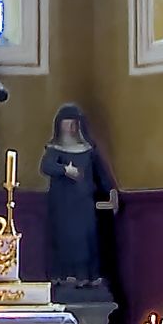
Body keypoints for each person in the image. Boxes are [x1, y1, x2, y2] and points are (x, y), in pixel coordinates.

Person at [39, 101, 116, 289]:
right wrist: (65, 170)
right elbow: (46, 166)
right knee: (66, 241)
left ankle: (88, 277)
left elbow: (102, 174)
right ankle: (67, 276)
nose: (71, 128)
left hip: (84, 205)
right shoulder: (54, 149)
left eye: (74, 123)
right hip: (63, 206)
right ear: (59, 126)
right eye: (67, 123)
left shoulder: (88, 150)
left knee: (87, 241)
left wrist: (112, 193)